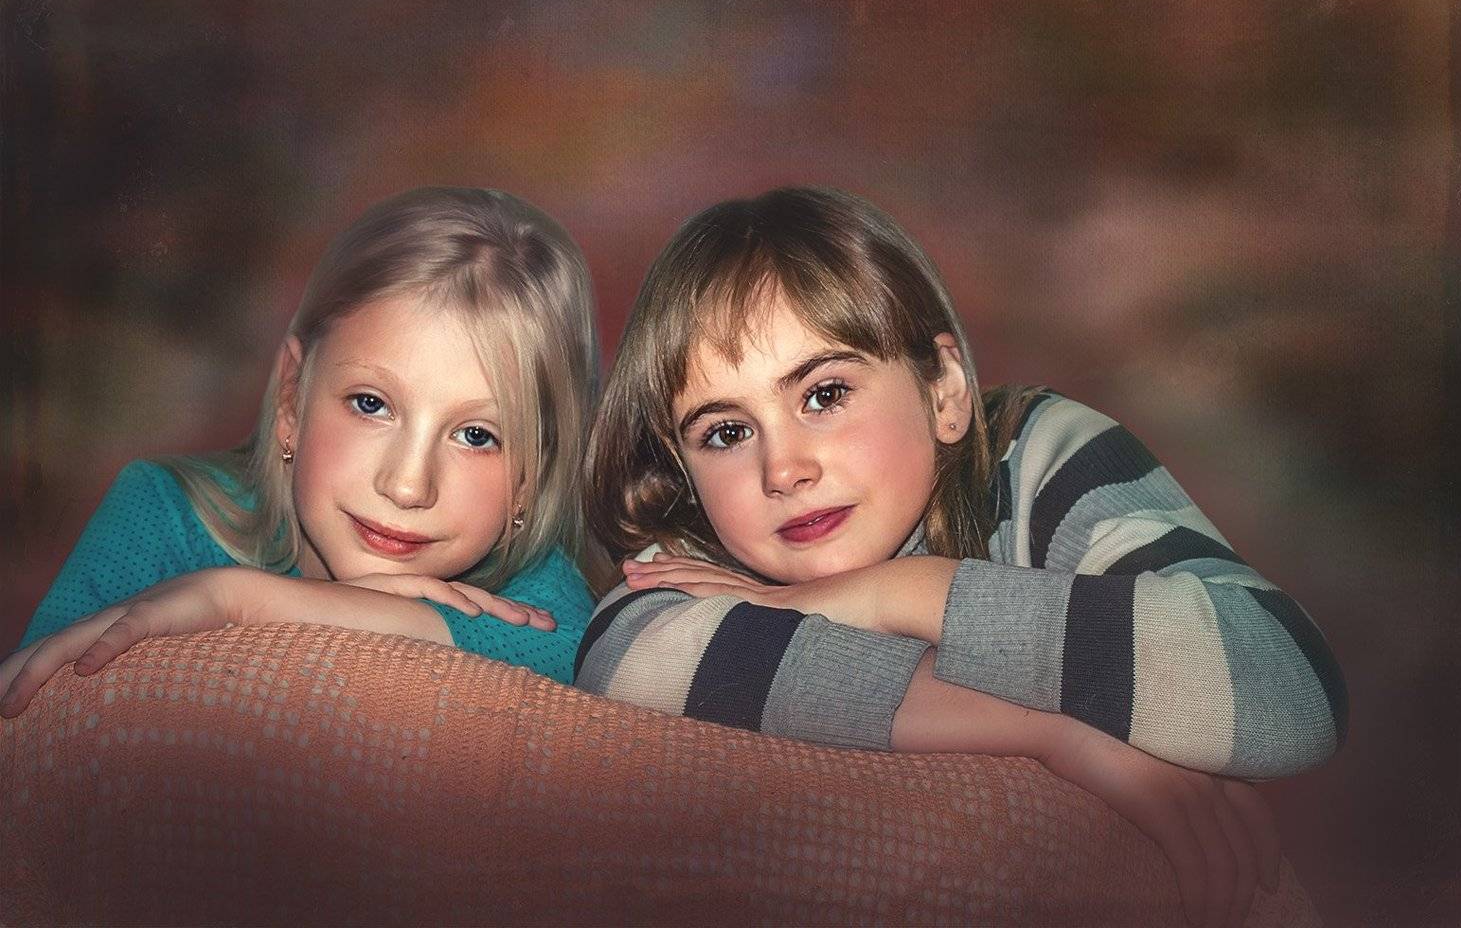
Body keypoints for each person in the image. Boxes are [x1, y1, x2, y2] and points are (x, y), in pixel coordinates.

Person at [577, 186, 1347, 928]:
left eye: (824, 394)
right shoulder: (697, 545)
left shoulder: (1040, 454)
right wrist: (1053, 731)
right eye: (727, 432)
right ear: (682, 470)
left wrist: (901, 592)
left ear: (944, 391)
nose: (783, 470)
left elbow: (1287, 683)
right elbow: (627, 660)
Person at [1, 186, 601, 713]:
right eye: (371, 404)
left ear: (532, 476)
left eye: (476, 436)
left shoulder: (537, 595)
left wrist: (237, 600)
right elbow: (29, 713)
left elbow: (569, 659)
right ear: (292, 396)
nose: (406, 486)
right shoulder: (161, 514)